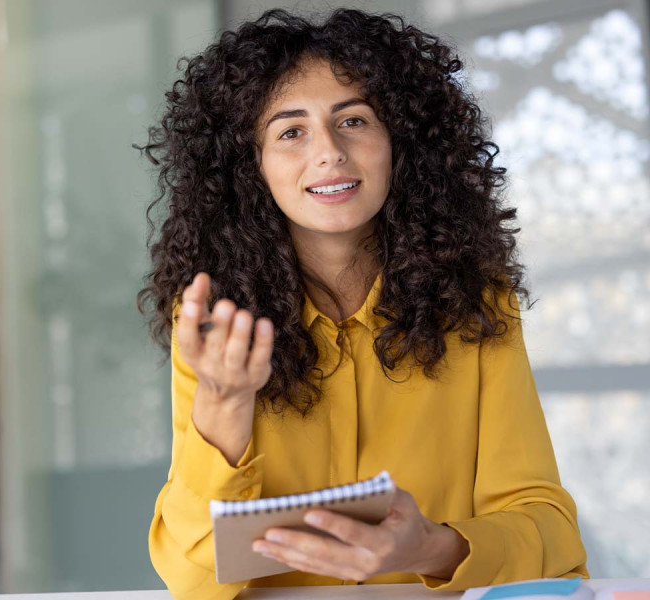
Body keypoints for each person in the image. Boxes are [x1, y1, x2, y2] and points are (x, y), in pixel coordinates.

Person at [135, 8, 588, 600]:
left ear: (402, 144)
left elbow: (549, 531)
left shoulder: (475, 301)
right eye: (290, 131)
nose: (329, 152)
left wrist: (428, 546)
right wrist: (223, 406)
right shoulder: (219, 321)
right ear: (251, 167)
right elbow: (191, 577)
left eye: (353, 120)